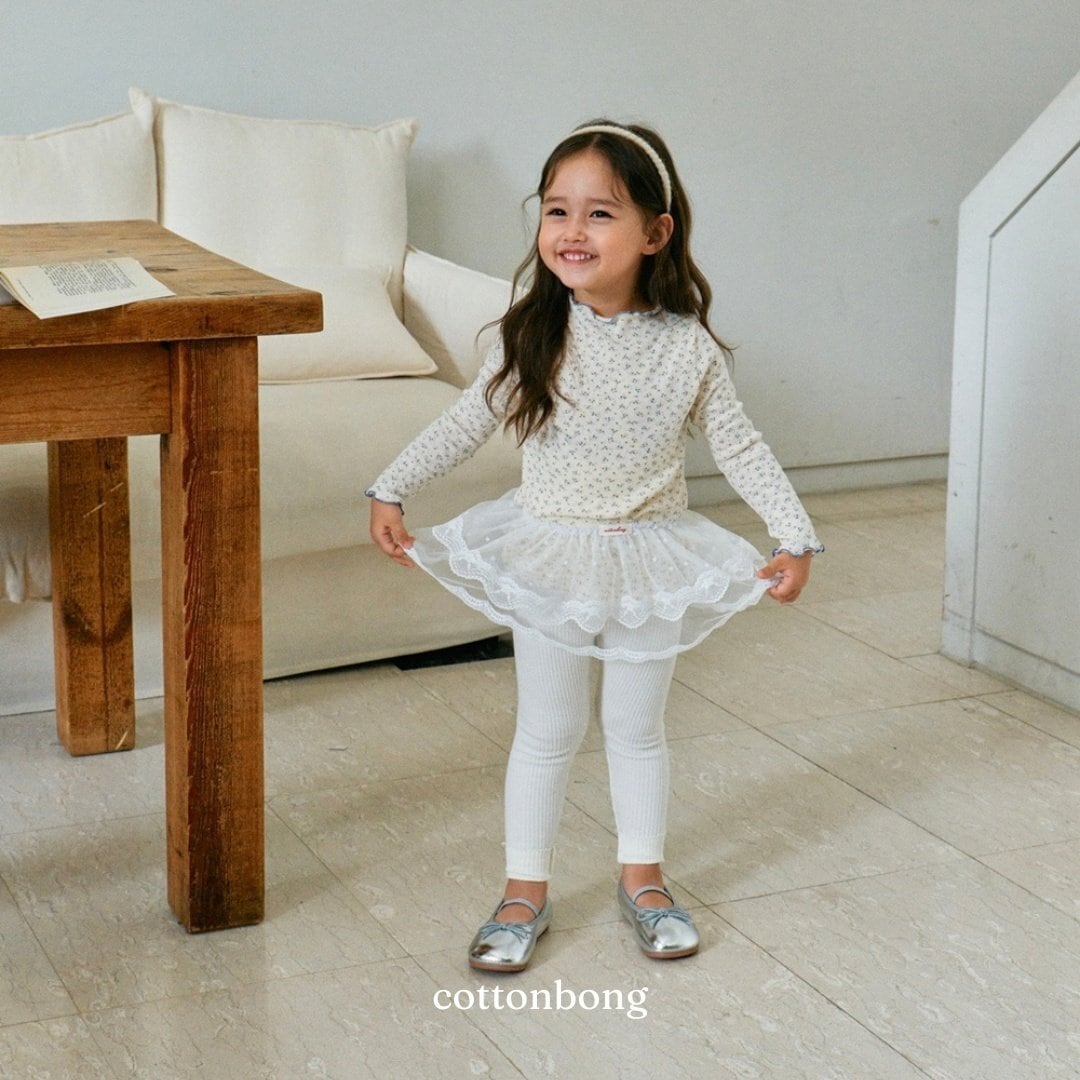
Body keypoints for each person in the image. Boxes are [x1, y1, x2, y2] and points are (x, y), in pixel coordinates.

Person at [366, 120, 822, 972]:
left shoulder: (686, 347)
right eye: (556, 211)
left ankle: (643, 880)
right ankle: (523, 891)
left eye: (600, 213)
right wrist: (390, 486)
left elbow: (741, 445)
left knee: (636, 729)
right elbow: (466, 422)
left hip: (652, 559)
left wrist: (793, 536)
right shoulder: (531, 335)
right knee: (547, 729)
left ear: (656, 232)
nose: (572, 231)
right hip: (551, 559)